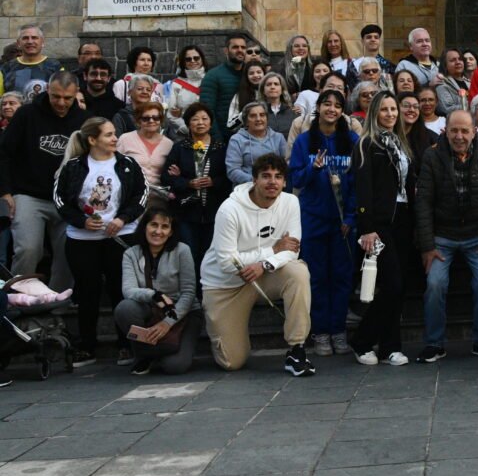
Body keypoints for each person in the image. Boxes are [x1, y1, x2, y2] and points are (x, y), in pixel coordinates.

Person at [202, 153, 314, 375]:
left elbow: (293, 250)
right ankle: (219, 328)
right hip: (226, 284)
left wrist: (265, 265)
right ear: (253, 180)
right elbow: (227, 262)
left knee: (298, 272)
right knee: (232, 362)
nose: (272, 182)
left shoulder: (291, 202)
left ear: (284, 181)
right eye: (266, 176)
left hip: (264, 274)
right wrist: (272, 251)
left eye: (278, 177)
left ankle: (297, 348)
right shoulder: (230, 209)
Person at [53, 117, 148, 366]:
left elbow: (141, 194)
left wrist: (123, 218)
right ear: (92, 140)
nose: (115, 138)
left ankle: (125, 344)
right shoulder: (73, 166)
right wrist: (80, 221)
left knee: (120, 289)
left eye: (114, 134)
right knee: (87, 292)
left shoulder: (127, 163)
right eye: (108, 135)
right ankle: (87, 346)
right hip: (82, 239)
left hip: (120, 236)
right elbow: (60, 199)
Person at [416, 110, 478, 363]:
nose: (459, 136)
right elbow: (423, 203)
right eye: (454, 130)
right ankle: (434, 343)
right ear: (446, 131)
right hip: (442, 237)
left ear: (474, 131)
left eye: (465, 130)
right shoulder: (432, 156)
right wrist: (427, 246)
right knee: (434, 284)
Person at [288, 89, 358, 356]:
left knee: (341, 278)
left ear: (342, 111)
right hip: (313, 219)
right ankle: (320, 332)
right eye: (327, 104)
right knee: (316, 278)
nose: (332, 109)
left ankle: (339, 331)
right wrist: (313, 169)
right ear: (318, 107)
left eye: (337, 105)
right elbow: (296, 180)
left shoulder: (350, 139)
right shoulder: (305, 141)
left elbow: (356, 183)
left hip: (343, 222)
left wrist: (351, 217)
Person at [0, 71, 86, 290]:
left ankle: (57, 302)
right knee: (28, 249)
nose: (61, 102)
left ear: (76, 94)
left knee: (69, 251)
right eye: (56, 96)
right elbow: (4, 152)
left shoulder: (84, 120)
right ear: (48, 90)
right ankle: (19, 299)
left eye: (67, 98)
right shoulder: (26, 114)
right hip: (28, 194)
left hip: (67, 198)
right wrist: (5, 191)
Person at [349, 91, 411, 366]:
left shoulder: (400, 142)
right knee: (392, 285)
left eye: (393, 109)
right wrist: (367, 227)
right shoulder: (366, 144)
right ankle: (362, 340)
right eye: (384, 109)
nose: (390, 114)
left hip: (403, 219)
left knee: (395, 287)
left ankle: (389, 347)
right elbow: (363, 189)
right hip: (379, 224)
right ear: (374, 113)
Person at [115, 205, 199, 375]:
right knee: (125, 308)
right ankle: (146, 353)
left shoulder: (182, 250)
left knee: (175, 366)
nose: (158, 231)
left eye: (165, 226)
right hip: (150, 309)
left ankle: (154, 351)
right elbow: (129, 290)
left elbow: (189, 293)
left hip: (184, 313)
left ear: (171, 231)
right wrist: (155, 295)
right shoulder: (131, 254)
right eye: (154, 225)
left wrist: (167, 322)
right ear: (144, 226)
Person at [160, 102, 230, 271]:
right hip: (186, 211)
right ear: (188, 123)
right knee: (188, 254)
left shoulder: (221, 148)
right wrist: (187, 182)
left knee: (211, 254)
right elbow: (166, 176)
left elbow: (229, 176)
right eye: (195, 119)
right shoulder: (180, 148)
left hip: (214, 211)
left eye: (204, 119)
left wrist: (214, 182)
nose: (200, 122)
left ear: (211, 123)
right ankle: (190, 293)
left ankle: (206, 291)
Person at [117, 101, 174, 201]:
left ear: (161, 120)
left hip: (159, 198)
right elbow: (115, 166)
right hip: (131, 197)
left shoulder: (169, 144)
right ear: (138, 121)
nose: (151, 121)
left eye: (156, 118)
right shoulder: (125, 139)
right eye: (146, 118)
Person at [200, 33, 249, 141]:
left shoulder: (251, 74)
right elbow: (207, 111)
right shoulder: (213, 76)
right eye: (235, 47)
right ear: (226, 50)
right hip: (223, 137)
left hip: (250, 137)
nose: (240, 50)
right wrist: (218, 139)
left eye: (243, 47)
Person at [226, 101, 287, 186]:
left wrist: (273, 180)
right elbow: (232, 170)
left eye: (262, 115)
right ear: (246, 121)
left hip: (274, 186)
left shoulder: (278, 138)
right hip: (246, 189)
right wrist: (256, 181)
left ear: (267, 118)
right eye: (253, 116)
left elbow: (286, 164)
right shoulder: (236, 140)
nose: (258, 119)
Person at [0, 25, 63, 94]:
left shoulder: (55, 67)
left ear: (42, 42)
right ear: (18, 43)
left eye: (34, 38)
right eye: (25, 38)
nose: (30, 42)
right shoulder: (6, 69)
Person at [163, 46, 205, 135]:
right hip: (185, 134)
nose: (193, 61)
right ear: (184, 62)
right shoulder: (176, 84)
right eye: (188, 59)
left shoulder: (211, 79)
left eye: (196, 58)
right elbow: (171, 114)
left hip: (209, 132)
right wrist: (187, 129)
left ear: (202, 59)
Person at [225, 61, 267, 133]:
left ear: (264, 74)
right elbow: (230, 126)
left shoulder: (272, 92)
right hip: (247, 138)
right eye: (251, 73)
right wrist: (245, 112)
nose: (255, 75)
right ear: (246, 76)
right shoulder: (239, 96)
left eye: (259, 72)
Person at [434, 48, 470, 115]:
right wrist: (472, 105)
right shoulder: (441, 84)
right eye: (453, 60)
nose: (458, 62)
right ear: (445, 65)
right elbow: (446, 109)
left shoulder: (469, 82)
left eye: (460, 59)